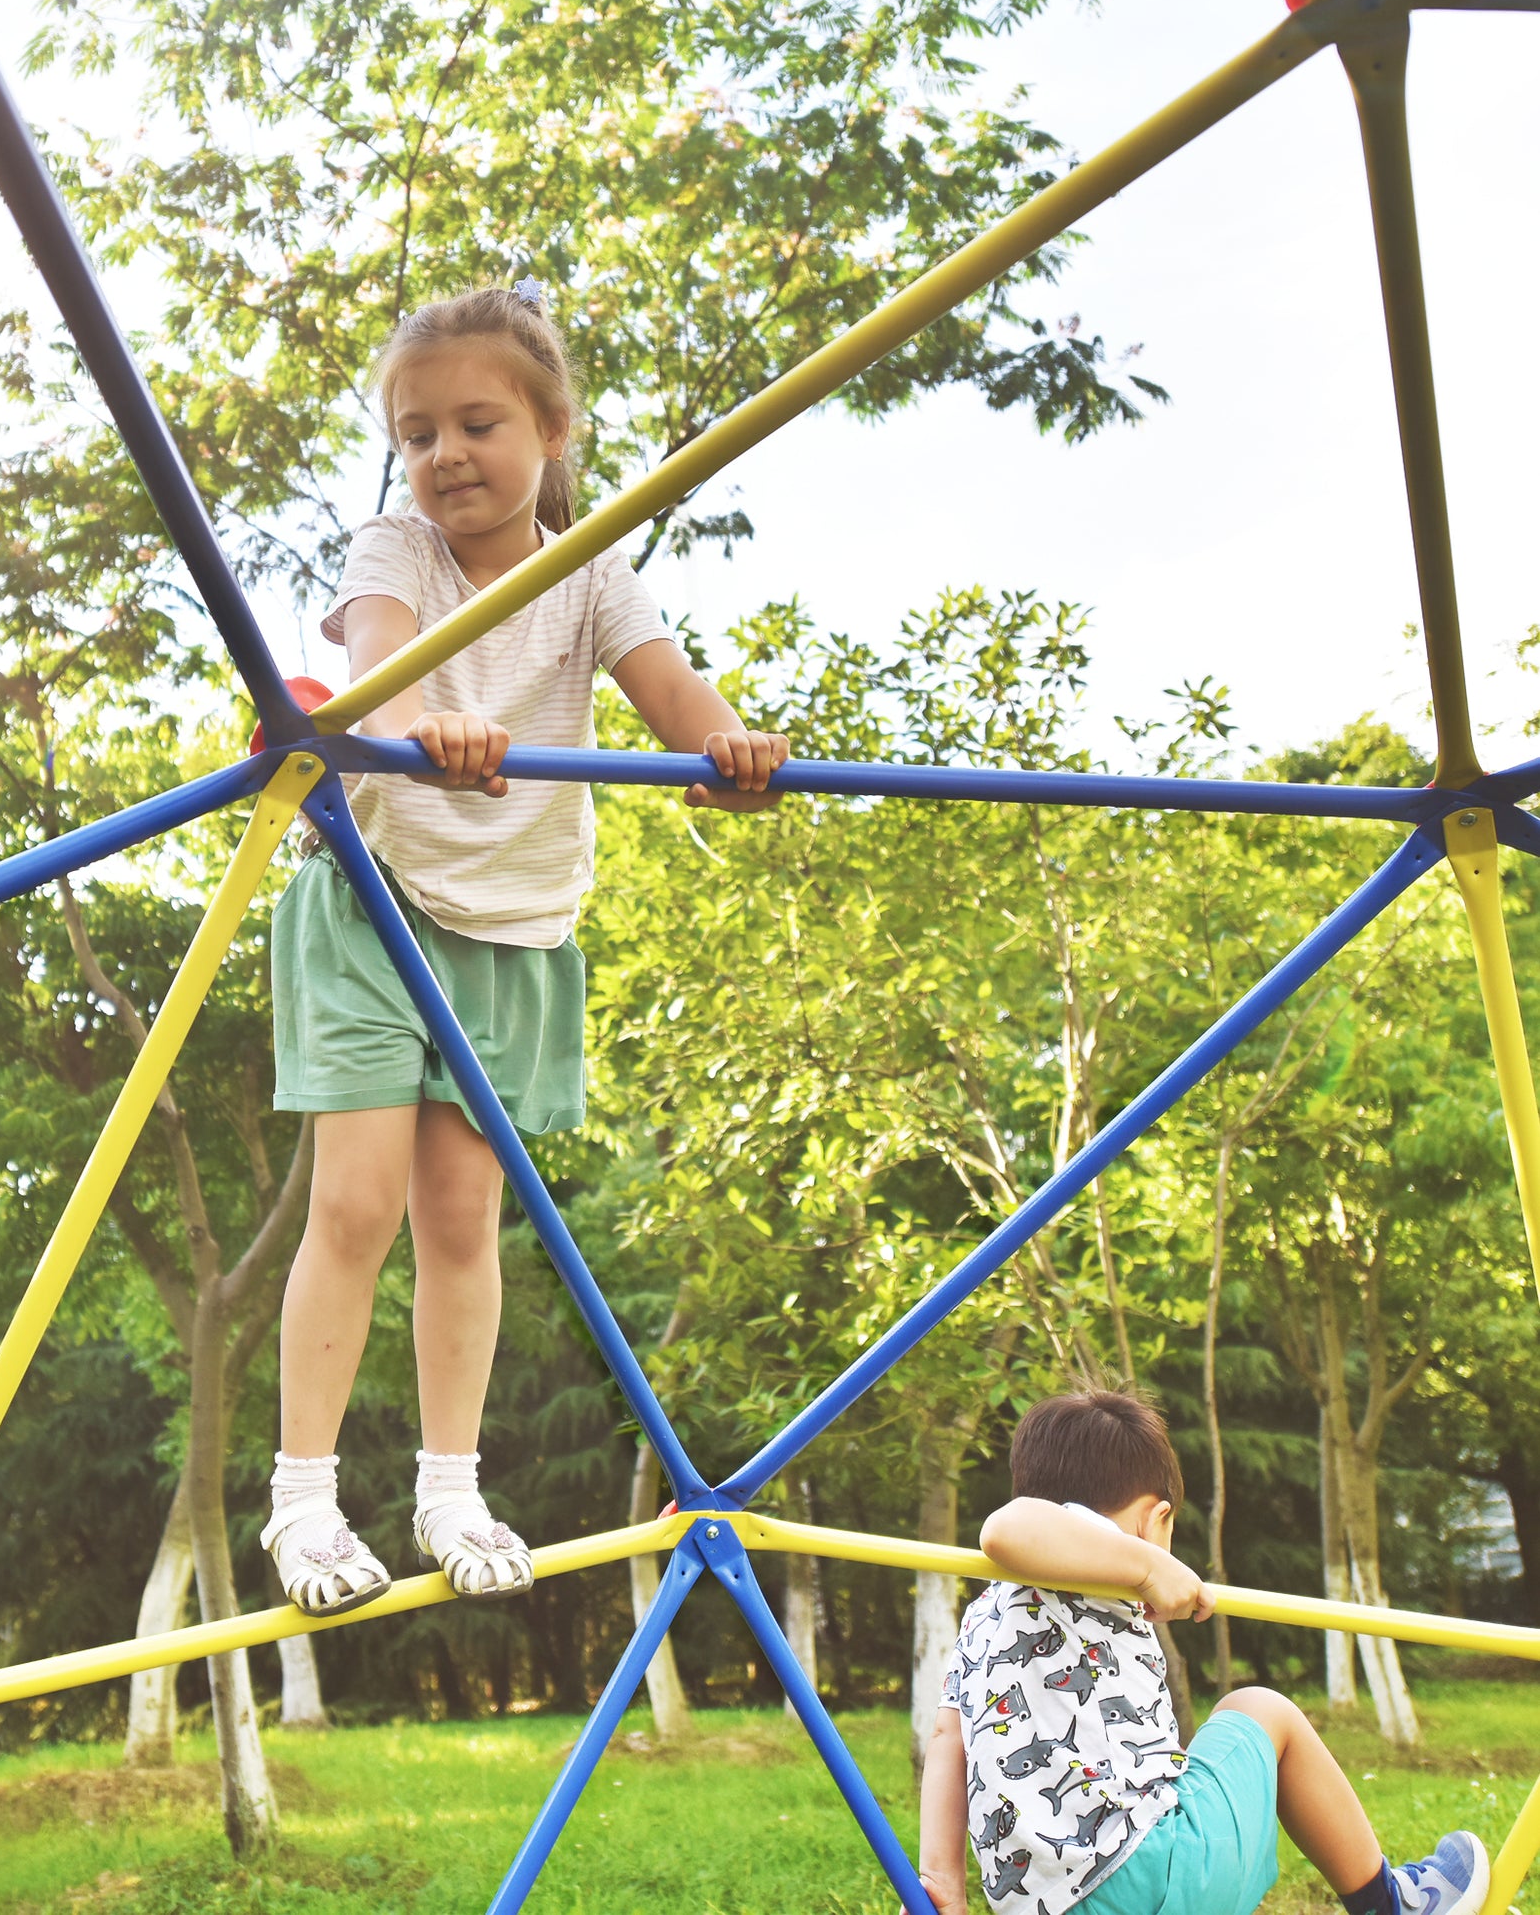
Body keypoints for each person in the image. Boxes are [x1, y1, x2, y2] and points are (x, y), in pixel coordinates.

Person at [261, 280, 790, 1616]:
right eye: (417, 431)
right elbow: (379, 661)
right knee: (356, 1203)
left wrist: (726, 749)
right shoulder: (396, 549)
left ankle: (450, 1485)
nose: (444, 455)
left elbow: (674, 696)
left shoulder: (592, 566)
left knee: (460, 1216)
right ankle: (304, 1499)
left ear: (550, 428)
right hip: (375, 901)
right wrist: (426, 711)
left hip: (515, 927)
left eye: (477, 423)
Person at [912, 1387, 1489, 1915]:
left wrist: (943, 1883)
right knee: (1262, 1709)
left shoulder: (981, 1616)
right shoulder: (1091, 1554)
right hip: (1154, 1871)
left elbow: (948, 1740)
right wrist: (1147, 1562)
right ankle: (1390, 1903)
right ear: (1155, 1517)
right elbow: (1006, 1529)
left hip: (1050, 1908)